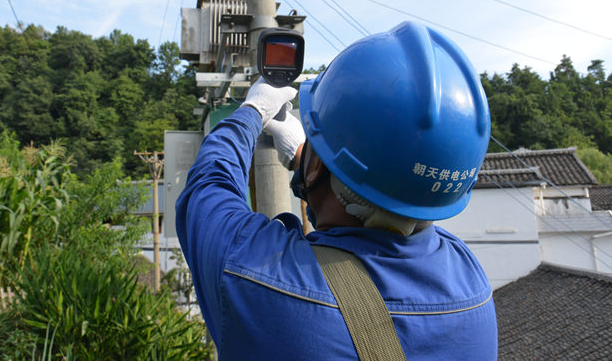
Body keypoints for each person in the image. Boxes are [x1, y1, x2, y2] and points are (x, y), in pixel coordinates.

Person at [176, 21, 498, 359]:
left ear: (317, 169)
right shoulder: (472, 283)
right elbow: (383, 200)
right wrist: (307, 155)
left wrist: (252, 111)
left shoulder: (257, 277)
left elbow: (207, 188)